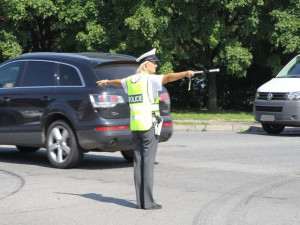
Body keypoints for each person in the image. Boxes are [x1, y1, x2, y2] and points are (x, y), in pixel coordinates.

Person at [97, 49, 194, 210]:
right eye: (154, 63)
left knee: (138, 162)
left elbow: (118, 81)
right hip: (148, 125)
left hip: (135, 126)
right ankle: (148, 203)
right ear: (146, 65)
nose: (156, 65)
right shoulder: (150, 80)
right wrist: (185, 73)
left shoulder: (131, 80)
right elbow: (169, 78)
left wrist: (105, 82)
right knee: (148, 163)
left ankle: (140, 201)